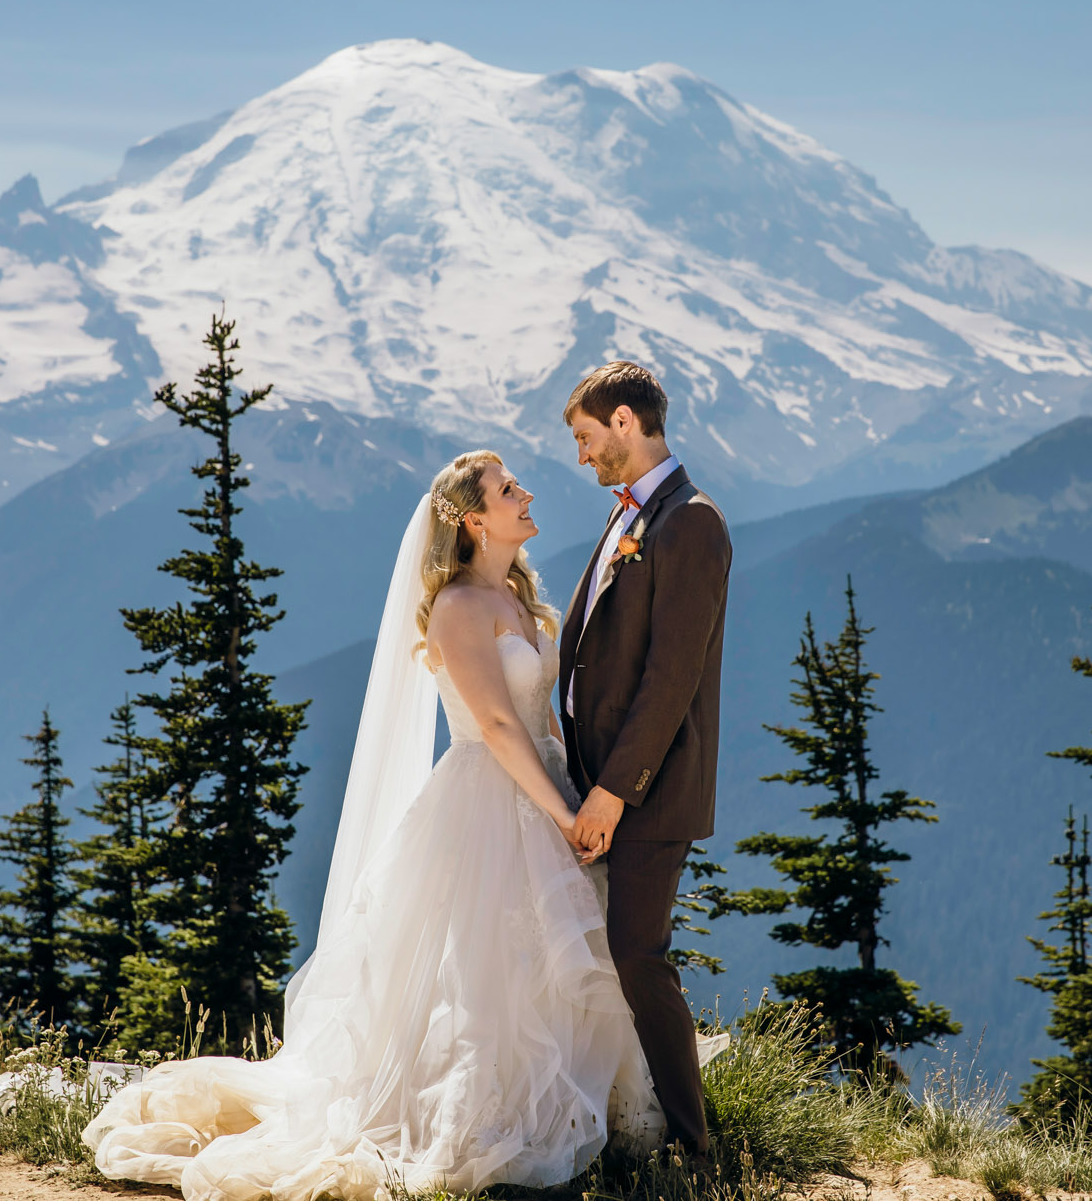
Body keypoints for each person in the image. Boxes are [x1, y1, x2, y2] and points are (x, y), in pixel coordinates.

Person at [82, 449, 663, 1201]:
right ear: (476, 520)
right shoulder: (458, 606)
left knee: (549, 961)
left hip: (542, 781)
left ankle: (581, 1110)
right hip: (487, 802)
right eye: (508, 488)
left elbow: (538, 715)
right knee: (486, 973)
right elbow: (490, 719)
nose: (526, 494)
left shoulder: (519, 596)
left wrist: (576, 791)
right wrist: (560, 814)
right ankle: (479, 1117)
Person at [558, 359, 731, 1158]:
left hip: (649, 790)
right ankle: (617, 1119)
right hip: (603, 785)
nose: (584, 456)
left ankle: (697, 1148)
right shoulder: (632, 514)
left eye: (590, 438)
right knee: (610, 951)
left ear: (626, 421)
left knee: (638, 954)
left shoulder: (691, 520)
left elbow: (672, 677)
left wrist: (613, 794)